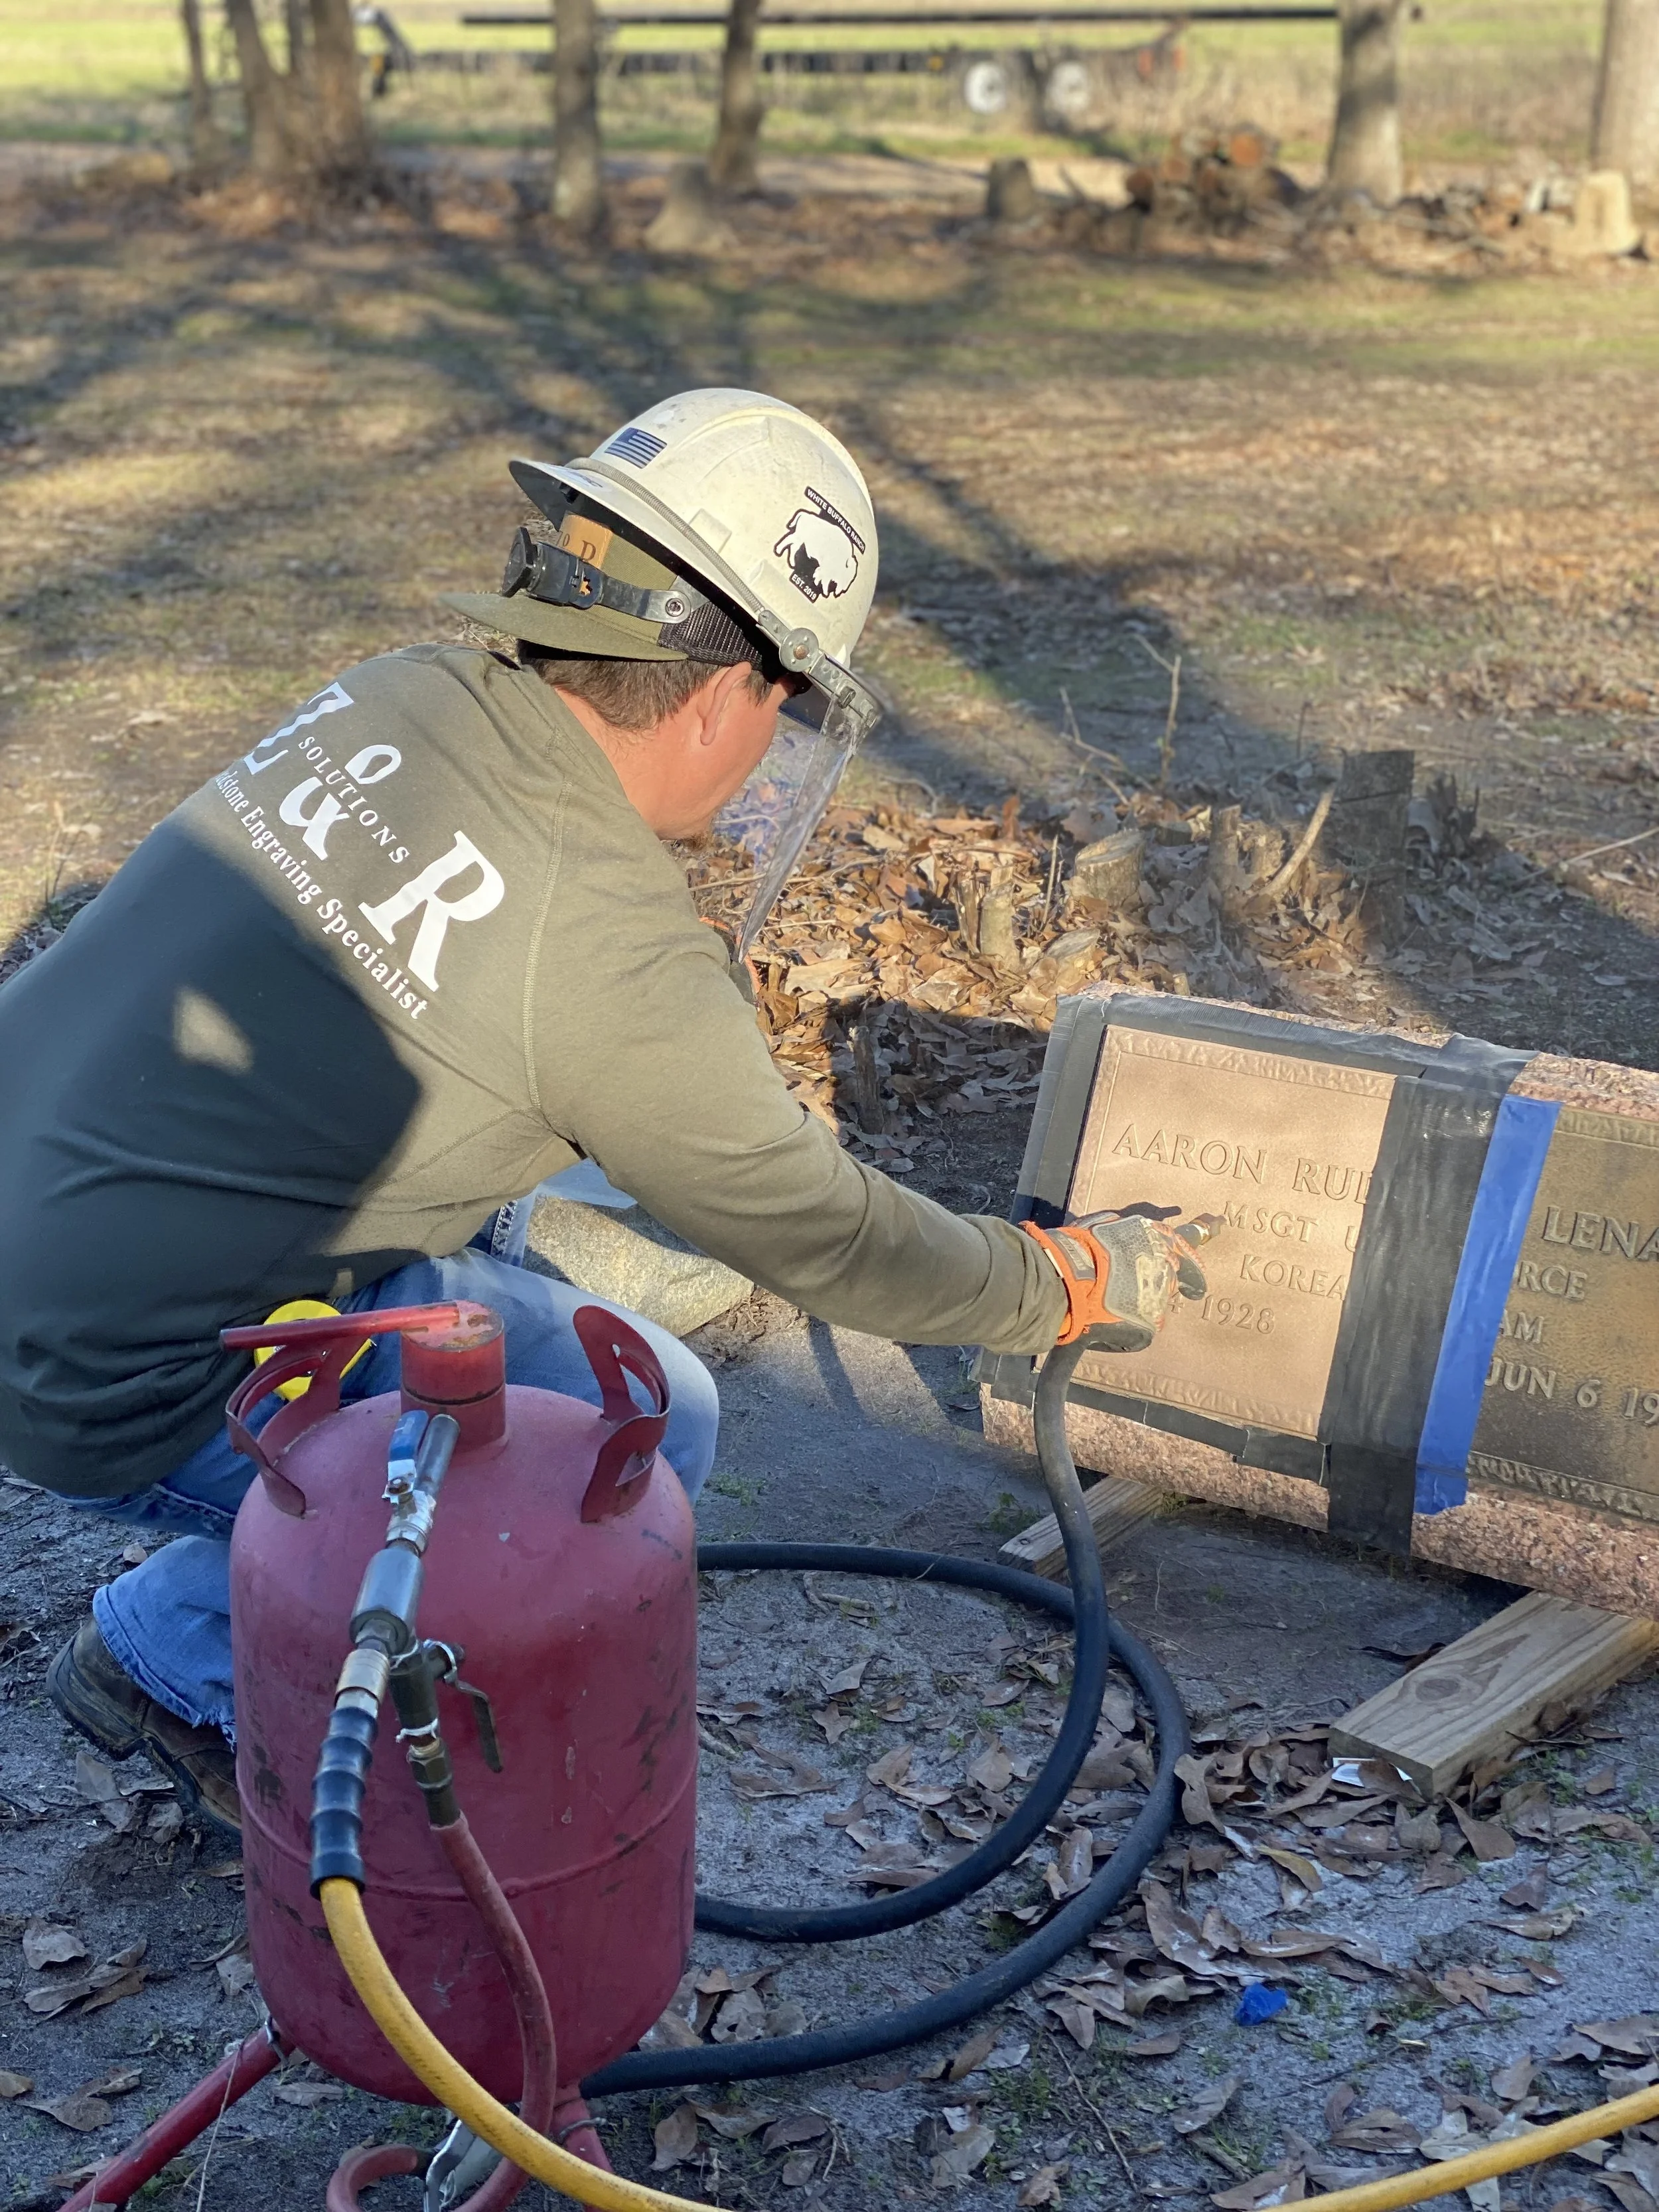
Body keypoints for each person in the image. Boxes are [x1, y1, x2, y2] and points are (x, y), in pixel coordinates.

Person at [0, 388, 1204, 1839]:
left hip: (58, 1206)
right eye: (785, 702)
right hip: (94, 1385)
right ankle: (173, 1655)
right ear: (720, 696)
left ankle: (253, 1574)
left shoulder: (399, 693)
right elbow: (823, 1234)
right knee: (635, 1438)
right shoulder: (614, 951)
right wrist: (1054, 1282)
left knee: (574, 1318)